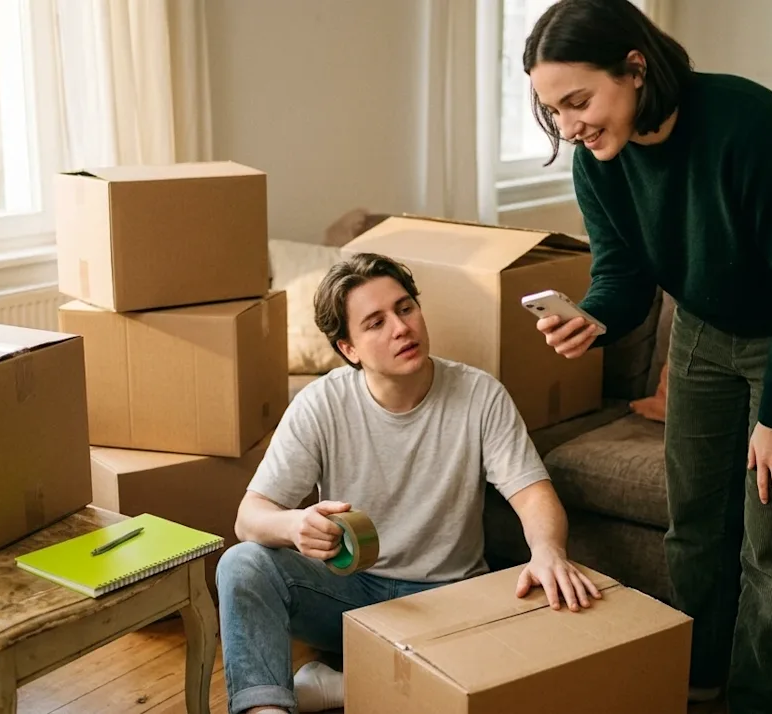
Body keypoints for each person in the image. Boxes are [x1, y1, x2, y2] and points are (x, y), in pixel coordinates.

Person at [522, 2, 772, 713]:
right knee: (696, 524)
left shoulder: (751, 125)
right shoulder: (600, 160)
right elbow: (623, 273)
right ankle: (697, 678)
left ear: (635, 67)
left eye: (578, 101)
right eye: (552, 110)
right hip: (705, 324)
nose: (569, 127)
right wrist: (592, 319)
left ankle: (757, 700)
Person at [215, 252, 601, 714]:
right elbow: (249, 517)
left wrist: (548, 552)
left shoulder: (480, 394)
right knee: (242, 564)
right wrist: (294, 525)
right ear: (349, 349)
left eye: (405, 308)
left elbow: (533, 493)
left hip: (451, 598)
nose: (401, 328)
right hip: (350, 595)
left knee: (528, 669)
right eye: (375, 323)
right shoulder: (320, 404)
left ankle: (340, 687)